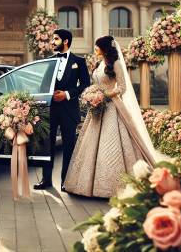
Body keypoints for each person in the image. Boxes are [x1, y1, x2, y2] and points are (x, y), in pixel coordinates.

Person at [63, 36, 157, 198]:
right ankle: (87, 185)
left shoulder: (117, 64)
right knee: (90, 145)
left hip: (112, 108)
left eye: (97, 46)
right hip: (97, 109)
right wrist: (92, 94)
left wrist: (104, 95)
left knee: (110, 143)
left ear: (104, 48)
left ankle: (113, 186)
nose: (95, 49)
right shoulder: (100, 64)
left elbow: (122, 87)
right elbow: (97, 84)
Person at [34, 29, 90, 192]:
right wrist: (49, 94)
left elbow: (85, 84)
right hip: (50, 110)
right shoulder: (50, 61)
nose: (52, 42)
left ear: (65, 41)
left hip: (69, 110)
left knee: (68, 147)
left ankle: (66, 181)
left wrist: (66, 94)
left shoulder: (79, 61)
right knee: (47, 146)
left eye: (56, 39)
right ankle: (46, 180)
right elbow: (43, 83)